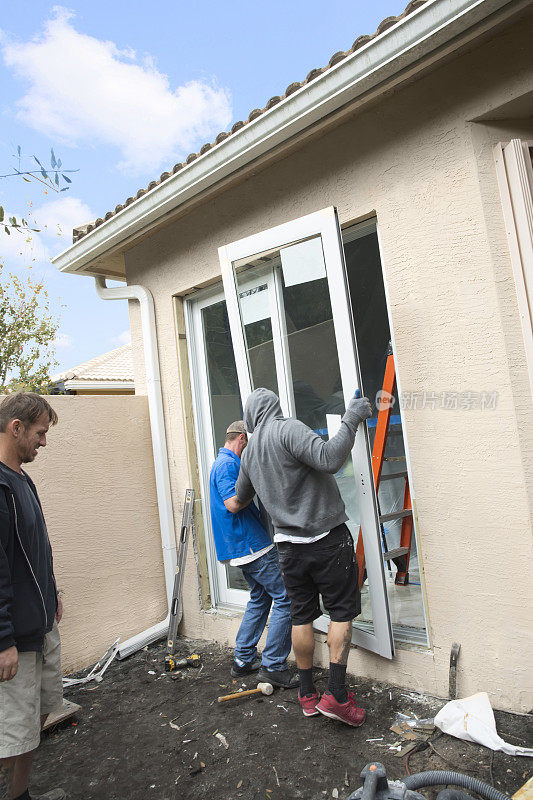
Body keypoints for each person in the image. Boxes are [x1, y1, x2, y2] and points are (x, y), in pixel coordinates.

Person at [234, 388, 372, 727]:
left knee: (301, 618)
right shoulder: (287, 429)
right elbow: (330, 459)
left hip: (288, 549)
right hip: (325, 540)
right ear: (274, 407)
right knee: (340, 613)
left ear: (251, 417)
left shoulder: (250, 454)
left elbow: (241, 496)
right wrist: (352, 416)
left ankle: (308, 694)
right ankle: (337, 696)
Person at [0, 393, 65, 800]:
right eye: (40, 433)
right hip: (15, 639)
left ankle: (20, 796)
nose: (44, 442)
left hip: (42, 625)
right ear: (16, 427)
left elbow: (38, 544)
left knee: (34, 722)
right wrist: (2, 638)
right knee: (10, 732)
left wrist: (53, 587)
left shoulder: (23, 480)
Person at [209, 420, 297, 688]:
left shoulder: (222, 462)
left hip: (241, 546)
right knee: (286, 597)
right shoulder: (227, 464)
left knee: (260, 598)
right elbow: (232, 504)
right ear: (242, 440)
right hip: (250, 545)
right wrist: (259, 488)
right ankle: (273, 665)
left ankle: (244, 660)